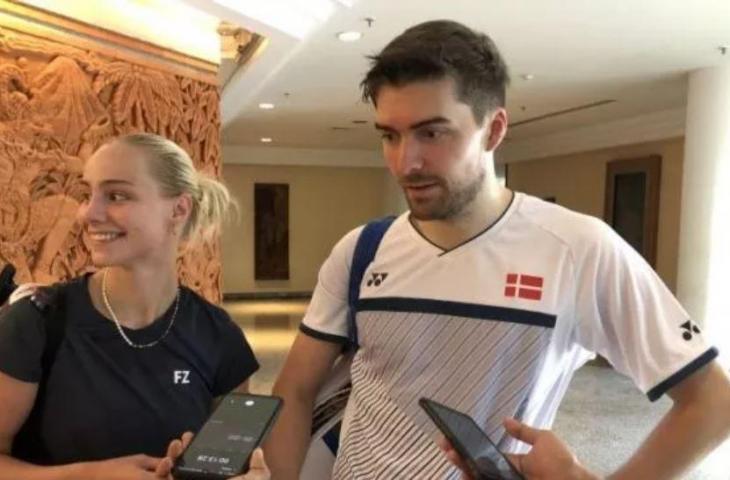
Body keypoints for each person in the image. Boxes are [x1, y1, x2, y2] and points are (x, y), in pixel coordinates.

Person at [265, 19, 730, 480]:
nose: (406, 162)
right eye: (390, 135)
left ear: (494, 129)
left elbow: (712, 402)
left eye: (433, 132)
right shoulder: (363, 250)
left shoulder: (578, 249)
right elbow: (296, 391)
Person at [0, 133, 269, 479]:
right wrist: (91, 476)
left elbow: (230, 464)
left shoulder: (219, 336)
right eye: (87, 194)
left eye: (116, 196)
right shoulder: (36, 323)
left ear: (179, 209)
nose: (88, 213)